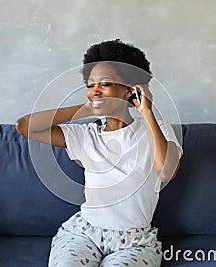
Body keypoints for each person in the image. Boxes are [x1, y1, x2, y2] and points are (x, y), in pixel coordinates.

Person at [15, 39, 183, 267]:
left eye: (104, 84)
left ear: (129, 91)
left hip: (135, 242)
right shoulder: (85, 135)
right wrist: (88, 107)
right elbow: (24, 126)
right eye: (90, 85)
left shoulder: (158, 129)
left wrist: (146, 112)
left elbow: (165, 172)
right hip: (83, 234)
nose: (94, 91)